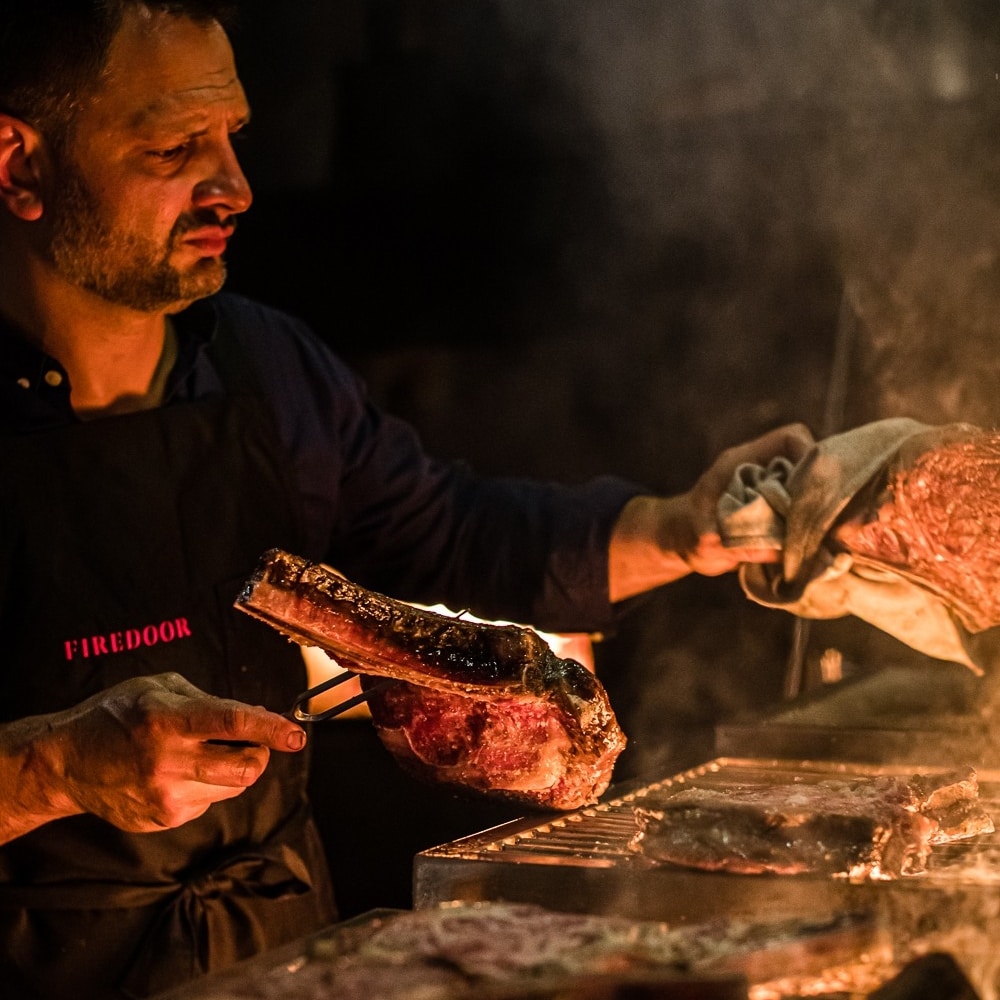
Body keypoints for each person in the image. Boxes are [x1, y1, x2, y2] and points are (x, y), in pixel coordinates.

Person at [0, 2, 813, 997]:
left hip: (280, 958)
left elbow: (454, 534)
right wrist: (49, 771)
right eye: (176, 147)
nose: (237, 188)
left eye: (235, 138)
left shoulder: (265, 364)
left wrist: (680, 529)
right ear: (19, 167)